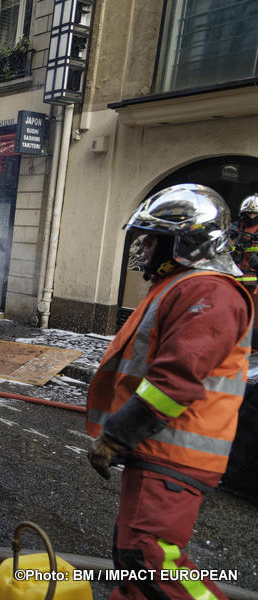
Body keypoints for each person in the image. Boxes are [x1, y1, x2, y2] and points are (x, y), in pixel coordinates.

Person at [87, 184, 252, 600]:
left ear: (187, 242)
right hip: (157, 448)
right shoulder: (182, 286)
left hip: (174, 451)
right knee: (132, 559)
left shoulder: (210, 292)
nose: (144, 246)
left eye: (153, 237)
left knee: (152, 561)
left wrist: (116, 436)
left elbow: (173, 381)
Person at [231, 193, 258, 335]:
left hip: (254, 283)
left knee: (253, 320)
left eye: (254, 213)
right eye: (249, 213)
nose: (251, 216)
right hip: (233, 280)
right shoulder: (234, 229)